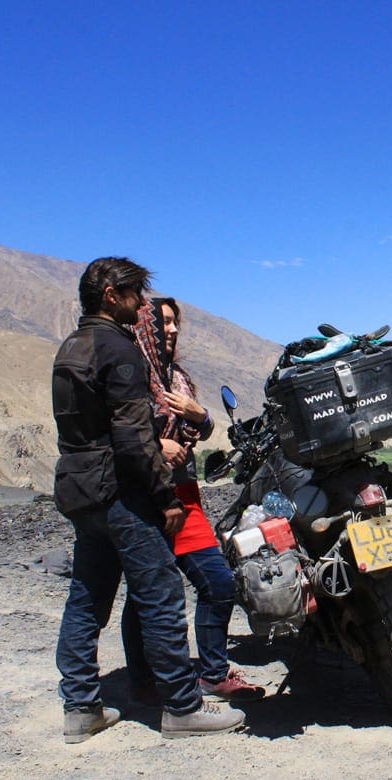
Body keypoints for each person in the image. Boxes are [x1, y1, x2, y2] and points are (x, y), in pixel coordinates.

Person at [51, 256, 245, 742]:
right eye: (136, 295)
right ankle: (182, 707)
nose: (142, 306)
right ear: (113, 294)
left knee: (86, 598)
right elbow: (134, 437)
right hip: (120, 491)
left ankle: (80, 707)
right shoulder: (118, 349)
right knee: (159, 596)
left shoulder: (70, 346)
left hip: (79, 489)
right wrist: (165, 497)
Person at [121, 296, 264, 704]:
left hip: (186, 498)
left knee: (219, 584)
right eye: (162, 323)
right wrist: (156, 444)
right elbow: (120, 430)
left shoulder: (177, 378)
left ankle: (212, 673)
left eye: (174, 323)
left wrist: (199, 415)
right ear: (142, 326)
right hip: (146, 498)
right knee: (144, 594)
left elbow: (202, 428)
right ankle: (142, 678)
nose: (171, 330)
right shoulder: (129, 375)